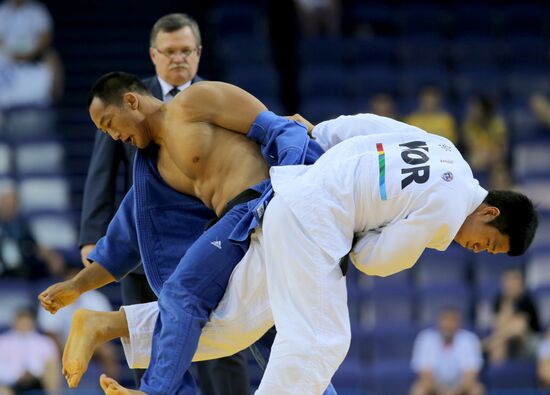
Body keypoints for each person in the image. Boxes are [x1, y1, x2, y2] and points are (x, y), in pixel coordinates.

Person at [41, 78, 538, 393]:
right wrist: (356, 236)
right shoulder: (449, 212)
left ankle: (111, 325)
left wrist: (317, 136)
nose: (475, 248)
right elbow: (380, 261)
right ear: (489, 209)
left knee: (238, 321)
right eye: (488, 241)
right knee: (323, 341)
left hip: (286, 196)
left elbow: (365, 126)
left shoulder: (444, 147)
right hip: (317, 221)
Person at [40, 72, 334, 394]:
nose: (112, 136)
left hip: (264, 202)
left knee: (183, 293)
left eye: (109, 123)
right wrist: (76, 286)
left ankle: (153, 387)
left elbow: (278, 127)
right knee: (280, 334)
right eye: (104, 131)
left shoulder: (195, 101)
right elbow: (126, 240)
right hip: (241, 232)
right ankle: (102, 327)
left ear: (131, 101)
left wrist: (288, 185)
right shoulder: (153, 169)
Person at [78, 13, 251, 393]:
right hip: (144, 251)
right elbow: (101, 176)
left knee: (223, 347)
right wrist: (93, 237)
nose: (178, 59)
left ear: (199, 53)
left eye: (186, 51)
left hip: (210, 240)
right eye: (169, 52)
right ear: (153, 55)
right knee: (151, 346)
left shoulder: (217, 96)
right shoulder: (121, 102)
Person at [37, 266, 119, 382]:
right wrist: (69, 350)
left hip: (91, 343)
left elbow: (106, 328)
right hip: (62, 344)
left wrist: (88, 346)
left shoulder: (95, 298)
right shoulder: (53, 298)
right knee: (50, 352)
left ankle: (112, 387)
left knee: (107, 352)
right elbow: (50, 332)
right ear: (64, 283)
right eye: (71, 281)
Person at [0, 0, 63, 107]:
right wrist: (11, 54)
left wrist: (30, 54)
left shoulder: (37, 10)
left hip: (33, 55)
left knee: (52, 58)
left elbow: (46, 36)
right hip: (7, 56)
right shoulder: (3, 10)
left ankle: (52, 102)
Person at [410, 307, 485, 395]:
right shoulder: (425, 338)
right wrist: (442, 392)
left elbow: (470, 375)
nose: (448, 324)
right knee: (419, 389)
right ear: (438, 322)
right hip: (434, 387)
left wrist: (454, 392)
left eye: (453, 320)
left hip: (460, 388)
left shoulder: (469, 339)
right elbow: (425, 375)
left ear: (459, 324)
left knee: (477, 389)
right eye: (445, 320)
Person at [0, 183, 64, 279]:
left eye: (13, 204)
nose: (10, 207)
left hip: (24, 268)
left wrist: (50, 256)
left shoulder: (21, 226)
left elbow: (35, 246)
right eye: (7, 203)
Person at [483, 268, 540, 364]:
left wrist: (493, 340)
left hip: (529, 338)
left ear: (521, 283)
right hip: (503, 338)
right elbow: (497, 325)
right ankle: (498, 375)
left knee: (518, 326)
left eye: (515, 280)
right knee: (498, 347)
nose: (511, 284)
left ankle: (488, 344)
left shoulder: (526, 300)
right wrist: (507, 303)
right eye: (508, 280)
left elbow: (520, 327)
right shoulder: (498, 300)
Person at [0, 307, 60, 395]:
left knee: (51, 367)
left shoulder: (45, 341)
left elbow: (51, 364)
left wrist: (33, 372)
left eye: (27, 321)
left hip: (39, 380)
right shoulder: (3, 341)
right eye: (22, 321)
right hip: (11, 382)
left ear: (33, 322)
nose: (24, 324)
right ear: (15, 322)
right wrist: (18, 374)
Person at [462, 96, 509, 189]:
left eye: (475, 108)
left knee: (500, 168)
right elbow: (470, 146)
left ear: (484, 110)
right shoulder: (468, 125)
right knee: (474, 160)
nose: (472, 111)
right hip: (477, 156)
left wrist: (491, 155)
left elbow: (502, 147)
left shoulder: (497, 123)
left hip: (495, 157)